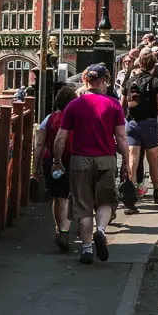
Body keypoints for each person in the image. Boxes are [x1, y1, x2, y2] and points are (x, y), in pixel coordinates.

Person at [52, 64, 130, 265]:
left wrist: (58, 161)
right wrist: (127, 163)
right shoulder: (114, 105)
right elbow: (121, 137)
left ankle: (86, 249)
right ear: (104, 81)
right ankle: (101, 231)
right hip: (106, 159)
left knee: (83, 205)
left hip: (80, 160)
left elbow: (61, 138)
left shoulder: (74, 105)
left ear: (85, 81)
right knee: (105, 201)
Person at [122, 50, 158, 206]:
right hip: (149, 124)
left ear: (140, 63)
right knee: (153, 161)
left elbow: (121, 104)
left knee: (132, 161)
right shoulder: (157, 82)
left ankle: (130, 195)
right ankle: (157, 191)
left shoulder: (129, 81)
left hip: (132, 124)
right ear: (153, 66)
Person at [35, 85, 77, 251]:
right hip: (73, 160)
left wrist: (35, 166)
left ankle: (59, 229)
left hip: (51, 161)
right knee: (68, 196)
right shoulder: (76, 118)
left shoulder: (49, 118)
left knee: (57, 197)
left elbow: (39, 144)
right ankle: (65, 230)